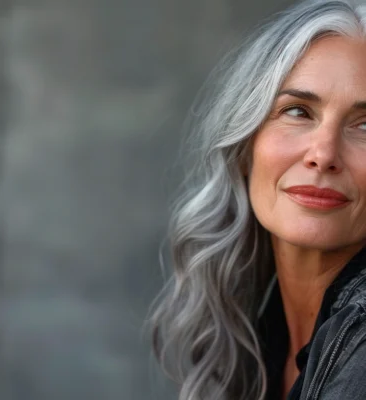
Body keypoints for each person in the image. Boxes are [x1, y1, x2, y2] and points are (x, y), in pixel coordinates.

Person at [148, 0, 366, 399]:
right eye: (298, 111)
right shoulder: (257, 331)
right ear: (245, 144)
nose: (323, 154)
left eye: (365, 125)